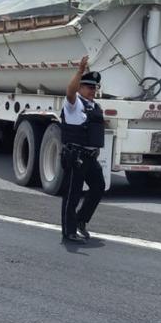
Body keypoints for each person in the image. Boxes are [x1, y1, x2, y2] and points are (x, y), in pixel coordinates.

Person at [60, 55, 106, 243]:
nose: (93, 90)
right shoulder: (74, 104)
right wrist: (79, 71)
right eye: (89, 87)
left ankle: (81, 220)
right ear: (80, 87)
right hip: (76, 156)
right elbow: (69, 91)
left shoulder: (94, 106)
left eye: (95, 87)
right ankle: (69, 232)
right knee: (73, 194)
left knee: (99, 187)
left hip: (90, 157)